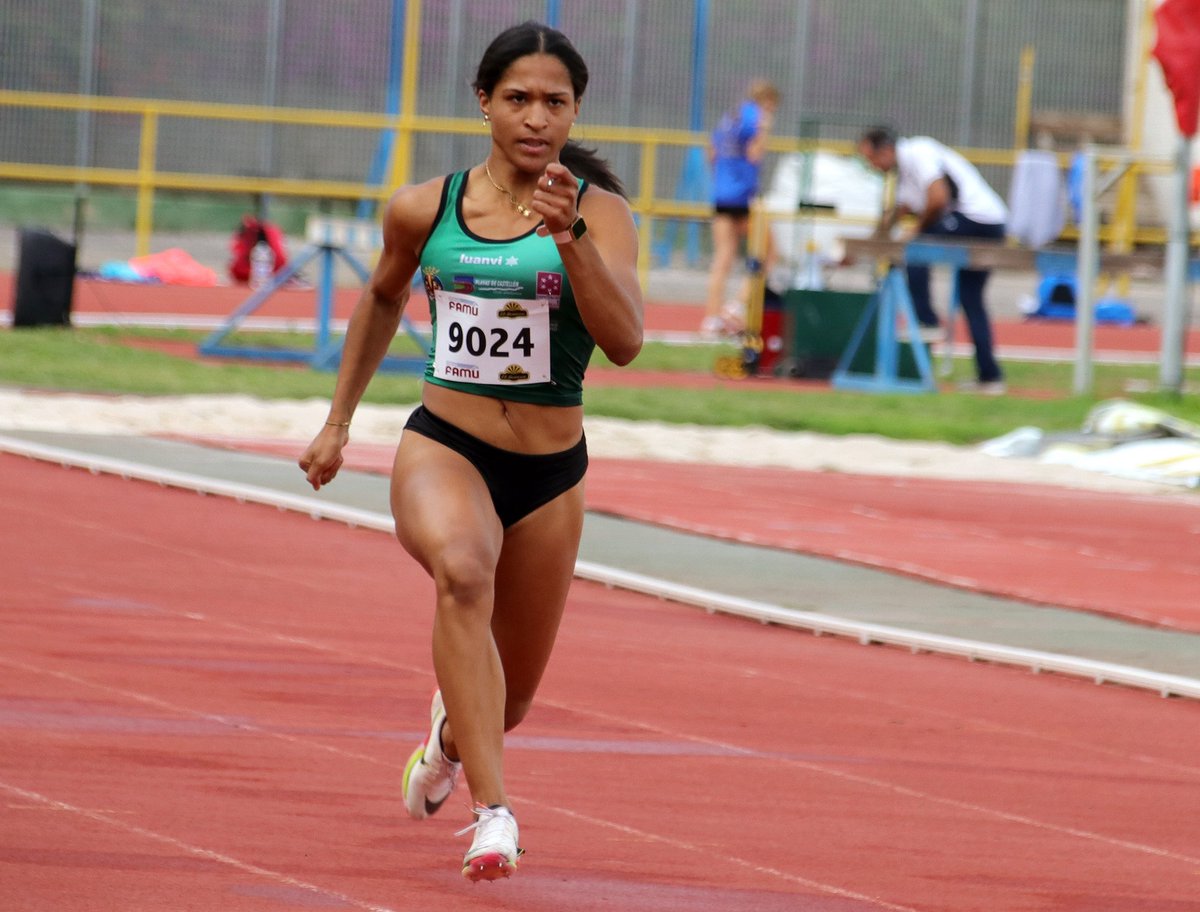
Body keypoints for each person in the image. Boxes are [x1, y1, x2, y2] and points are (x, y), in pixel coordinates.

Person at [298, 21, 642, 882]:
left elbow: (627, 340)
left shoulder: (600, 215)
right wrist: (339, 422)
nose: (536, 118)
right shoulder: (425, 208)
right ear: (484, 101)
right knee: (462, 568)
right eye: (518, 98)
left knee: (511, 700)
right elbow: (379, 301)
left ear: (575, 112)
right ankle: (496, 817)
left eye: (555, 103)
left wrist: (572, 240)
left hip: (551, 472)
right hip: (446, 443)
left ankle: (452, 741)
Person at [857, 126, 1009, 394]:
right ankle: (990, 377)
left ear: (886, 150)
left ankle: (926, 320)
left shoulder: (919, 151)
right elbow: (899, 211)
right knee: (971, 300)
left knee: (914, 248)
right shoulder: (904, 172)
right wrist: (871, 242)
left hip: (979, 221)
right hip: (987, 222)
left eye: (872, 159)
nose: (873, 166)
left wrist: (914, 231)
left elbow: (938, 199)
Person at [702, 79, 780, 337]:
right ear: (768, 102)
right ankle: (737, 305)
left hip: (722, 194)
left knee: (723, 256)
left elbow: (711, 152)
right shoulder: (757, 118)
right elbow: (755, 154)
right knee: (768, 252)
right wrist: (765, 132)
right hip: (744, 196)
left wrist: (723, 177)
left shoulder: (729, 117)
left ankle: (711, 318)